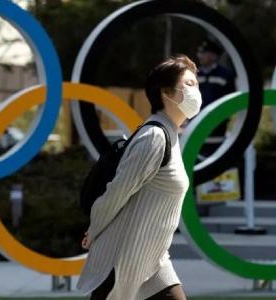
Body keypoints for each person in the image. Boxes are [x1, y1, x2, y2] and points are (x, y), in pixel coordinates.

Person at [77, 54, 202, 300]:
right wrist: (94, 230)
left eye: (196, 84)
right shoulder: (155, 137)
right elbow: (117, 191)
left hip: (153, 260)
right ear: (166, 92)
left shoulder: (171, 134)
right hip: (122, 258)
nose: (195, 91)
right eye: (188, 85)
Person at [195, 39, 236, 158]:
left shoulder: (226, 75)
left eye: (203, 53)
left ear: (213, 56)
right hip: (195, 131)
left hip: (217, 131)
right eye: (199, 53)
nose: (200, 56)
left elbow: (231, 102)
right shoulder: (193, 75)